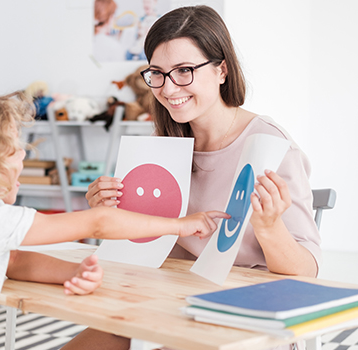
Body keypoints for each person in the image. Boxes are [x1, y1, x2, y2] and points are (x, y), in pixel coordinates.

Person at [0, 90, 228, 349]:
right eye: (12, 148)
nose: (23, 154)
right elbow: (99, 223)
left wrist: (67, 273)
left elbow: (12, 260)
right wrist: (179, 225)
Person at [68, 5, 321, 350]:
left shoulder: (271, 147)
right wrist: (109, 211)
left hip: (247, 315)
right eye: (157, 73)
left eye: (184, 70)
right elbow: (143, 242)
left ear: (222, 70)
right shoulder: (163, 144)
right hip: (168, 301)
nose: (169, 89)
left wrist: (269, 226)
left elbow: (306, 274)